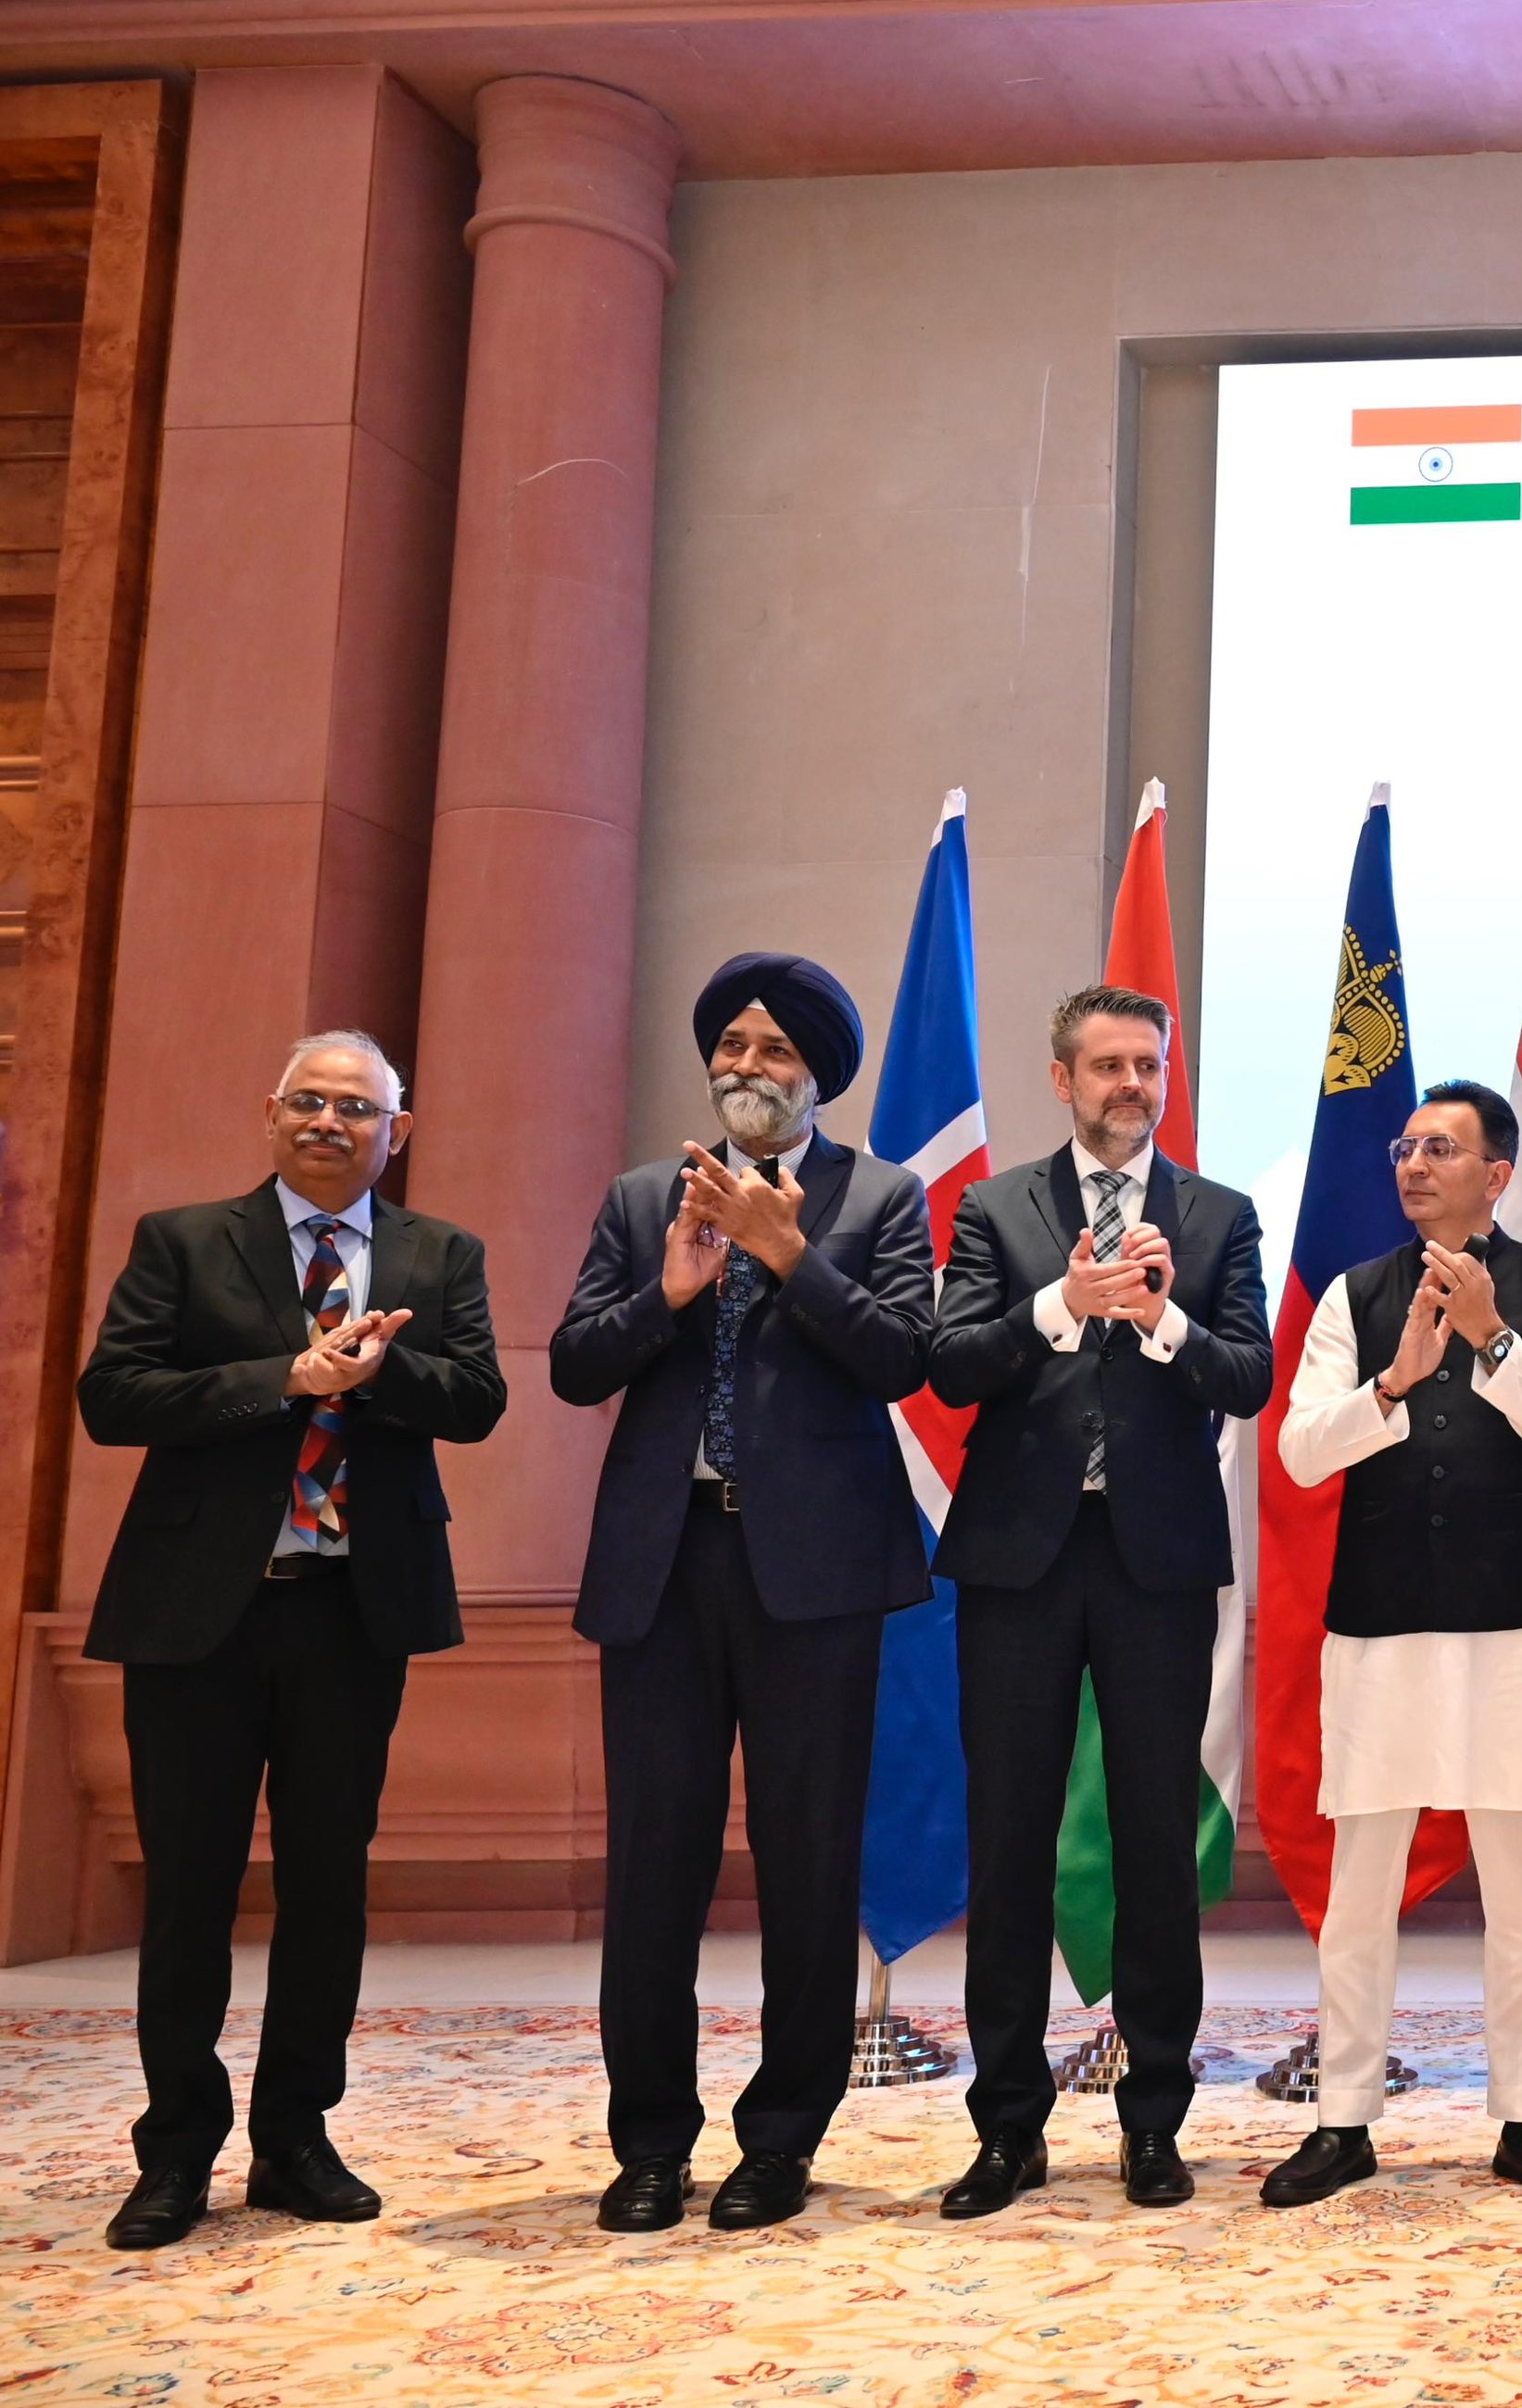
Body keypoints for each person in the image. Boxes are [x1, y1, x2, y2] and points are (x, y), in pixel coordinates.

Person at [78, 1033, 505, 2251]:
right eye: (308, 1101)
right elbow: (114, 1396)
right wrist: (287, 1377)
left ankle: (295, 2137)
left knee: (328, 1882)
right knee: (190, 1885)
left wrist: (373, 1375)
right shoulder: (184, 1240)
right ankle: (175, 2150)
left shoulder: (440, 1254)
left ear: (396, 1133)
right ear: (270, 1113)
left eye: (355, 1108)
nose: (328, 1121)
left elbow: (477, 1399)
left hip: (351, 1610)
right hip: (195, 1611)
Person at [551, 954, 937, 2234]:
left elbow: (903, 1358)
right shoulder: (641, 1197)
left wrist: (789, 1254)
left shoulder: (880, 1196)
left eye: (776, 1048)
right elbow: (574, 1364)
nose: (748, 1065)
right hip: (663, 1568)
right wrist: (668, 1293)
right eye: (733, 1043)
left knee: (809, 1861)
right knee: (653, 1864)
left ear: (819, 1072)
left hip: (815, 1578)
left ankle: (780, 2140)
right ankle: (650, 2142)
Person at [923, 984, 1275, 2218]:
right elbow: (951, 1364)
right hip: (1018, 1561)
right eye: (1110, 1064)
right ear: (1062, 1077)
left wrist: (1163, 1317)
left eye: (1149, 1065)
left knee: (1154, 1847)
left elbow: (1247, 1377)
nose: (1133, 1084)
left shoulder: (1219, 1215)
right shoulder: (994, 1208)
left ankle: (1154, 2119)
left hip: (1155, 1566)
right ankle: (1007, 2126)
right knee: (1010, 1843)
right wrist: (1062, 1305)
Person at [1266, 1078, 1522, 2209]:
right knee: (1360, 1889)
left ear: (1496, 1176)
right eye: (1406, 1147)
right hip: (1383, 1625)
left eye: (1441, 1149)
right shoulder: (1354, 1294)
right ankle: (1342, 2118)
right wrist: (1394, 1383)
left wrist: (1494, 1342)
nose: (1413, 1165)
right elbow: (1301, 1454)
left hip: (1519, 1623)